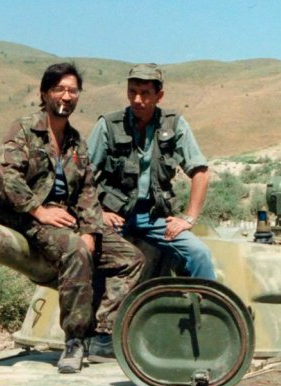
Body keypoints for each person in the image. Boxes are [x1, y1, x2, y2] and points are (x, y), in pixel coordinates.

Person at [0, 63, 145, 374]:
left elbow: (87, 190)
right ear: (45, 93)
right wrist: (38, 210)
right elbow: (6, 176)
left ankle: (102, 334)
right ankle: (75, 340)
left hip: (65, 217)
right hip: (26, 216)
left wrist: (91, 230)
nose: (66, 96)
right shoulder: (24, 130)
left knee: (130, 258)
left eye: (72, 91)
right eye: (59, 89)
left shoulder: (75, 141)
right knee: (76, 251)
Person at [87, 63, 216, 279]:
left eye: (145, 93)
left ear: (159, 96)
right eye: (132, 92)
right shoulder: (108, 125)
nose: (137, 99)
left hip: (156, 217)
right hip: (115, 215)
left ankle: (205, 300)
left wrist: (188, 218)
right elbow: (82, 175)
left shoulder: (174, 124)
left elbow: (201, 172)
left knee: (199, 254)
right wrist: (98, 213)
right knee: (90, 256)